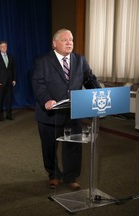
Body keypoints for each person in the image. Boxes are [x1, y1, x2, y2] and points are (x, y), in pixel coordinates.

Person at [32, 29, 101, 190]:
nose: (69, 42)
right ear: (54, 44)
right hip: (49, 114)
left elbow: (89, 79)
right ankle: (54, 174)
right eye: (65, 40)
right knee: (49, 147)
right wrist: (46, 100)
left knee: (73, 146)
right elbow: (38, 83)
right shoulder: (42, 61)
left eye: (71, 39)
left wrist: (100, 92)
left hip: (73, 112)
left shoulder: (80, 59)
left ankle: (71, 177)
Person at [0, 41, 16, 121]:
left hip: (9, 82)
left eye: (5, 46)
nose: (4, 48)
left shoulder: (11, 57)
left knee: (9, 100)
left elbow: (13, 69)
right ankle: (1, 116)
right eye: (2, 46)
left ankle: (8, 115)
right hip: (0, 83)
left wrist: (14, 79)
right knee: (0, 100)